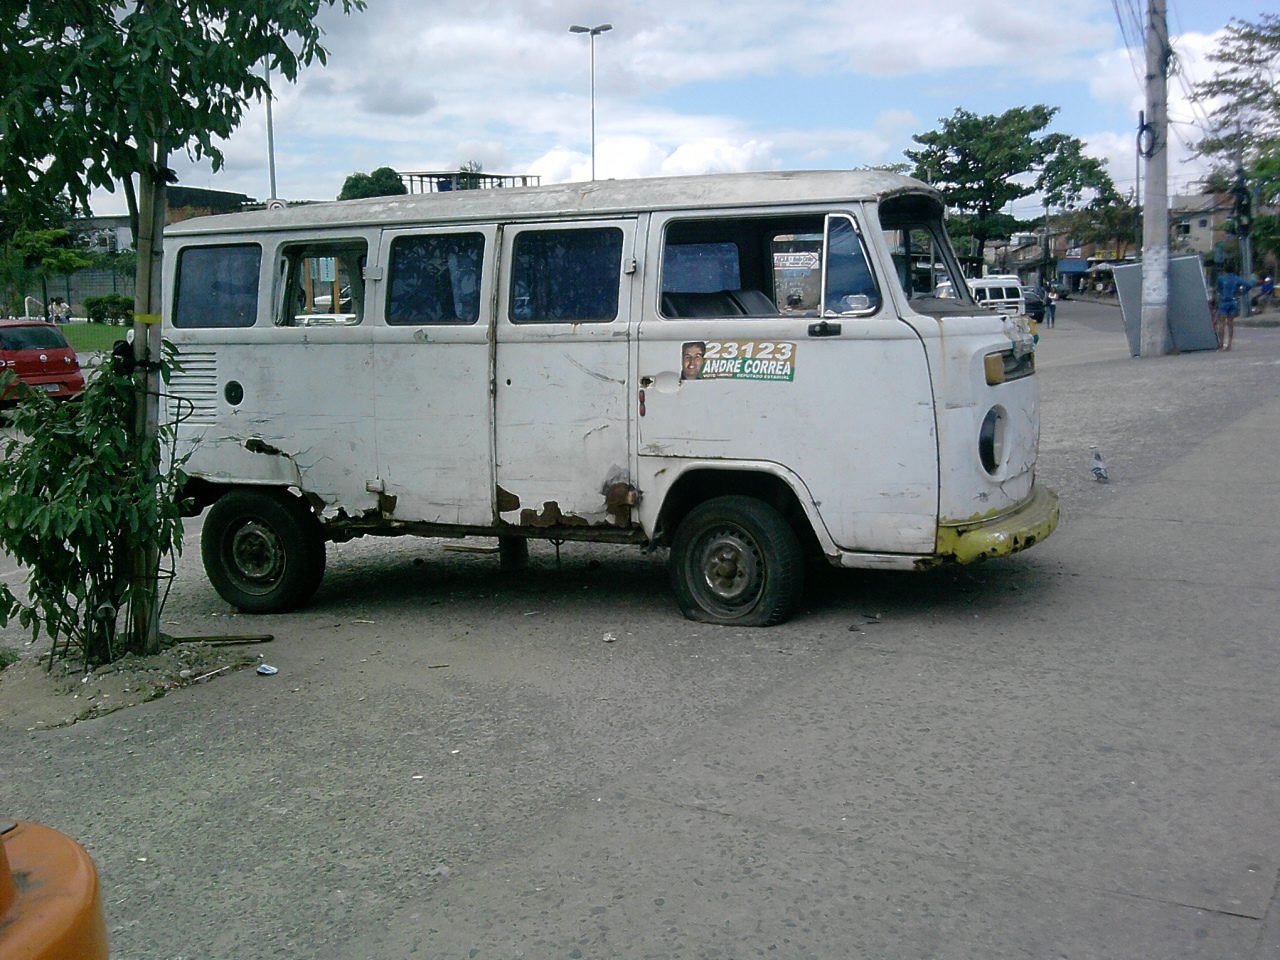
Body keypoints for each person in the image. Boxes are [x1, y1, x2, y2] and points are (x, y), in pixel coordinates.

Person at [1214, 266, 1251, 351]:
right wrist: (1241, 293)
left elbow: (1219, 289)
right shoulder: (1237, 278)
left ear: (1225, 270)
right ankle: (1229, 345)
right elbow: (1248, 285)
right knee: (1230, 324)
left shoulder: (1221, 278)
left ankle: (1221, 345)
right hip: (1233, 302)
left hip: (1224, 302)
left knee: (1221, 323)